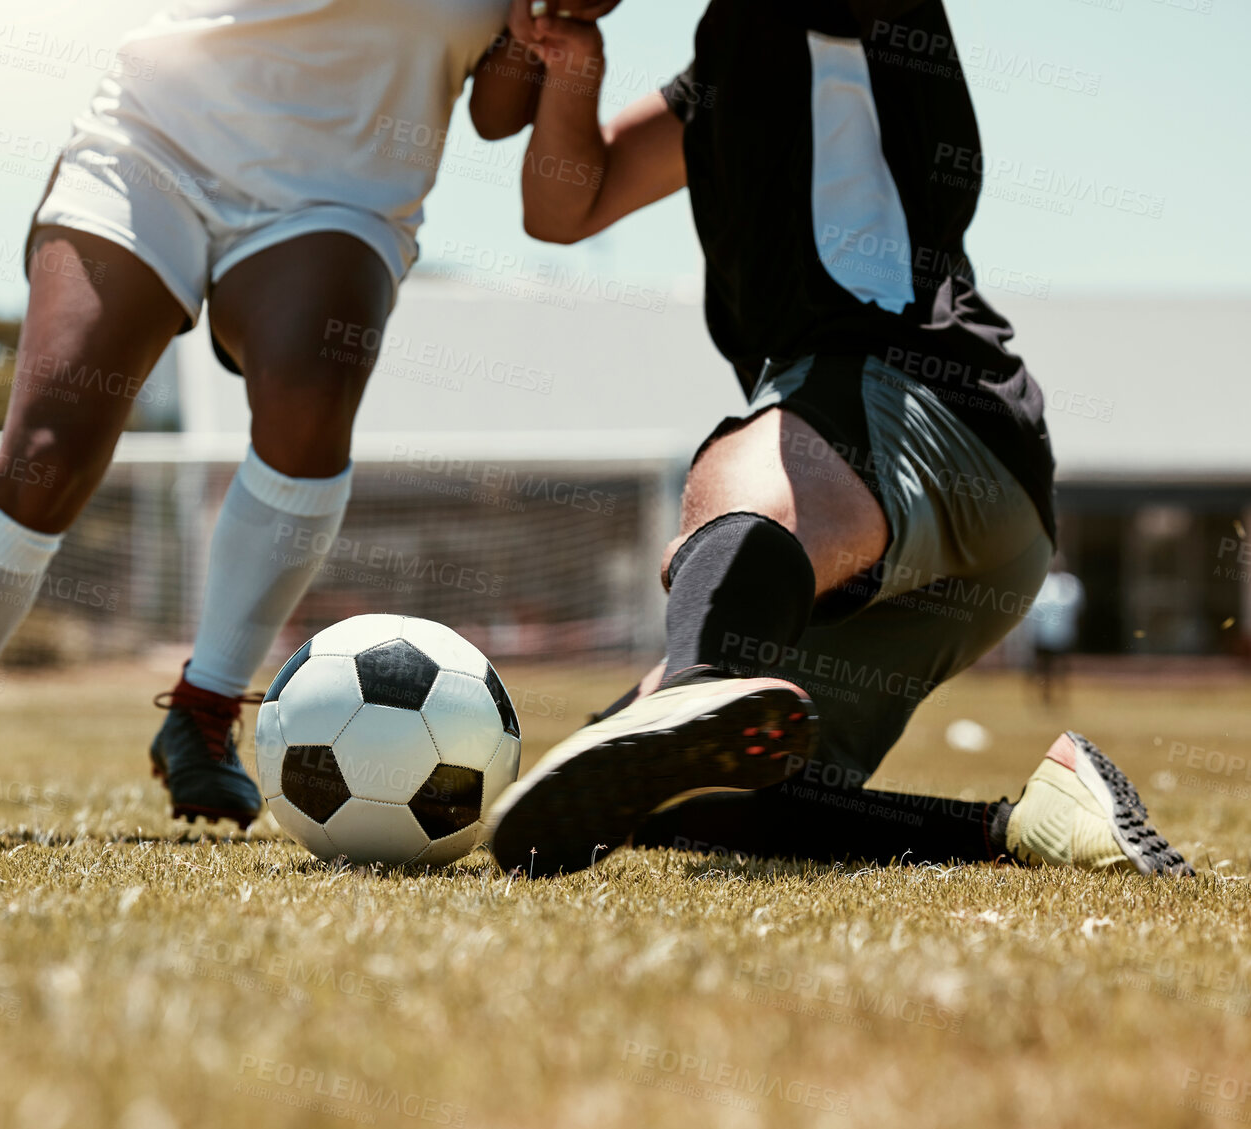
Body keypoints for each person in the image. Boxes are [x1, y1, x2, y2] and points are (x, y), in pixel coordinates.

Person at [0, 0, 631, 837]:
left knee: (310, 404)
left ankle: (204, 710)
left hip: (340, 190)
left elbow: (493, 111)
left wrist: (545, 26)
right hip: (154, 145)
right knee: (51, 448)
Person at [484, 0, 1191, 878]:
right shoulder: (724, 72)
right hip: (958, 509)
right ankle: (1025, 824)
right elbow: (565, 205)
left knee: (738, 476)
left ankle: (700, 685)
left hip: (916, 397)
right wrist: (574, 56)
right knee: (679, 797)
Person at [1027, 558, 1085, 707]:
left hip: (1062, 633)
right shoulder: (1042, 582)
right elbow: (1035, 605)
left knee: (1061, 667)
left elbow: (1076, 604)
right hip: (1042, 633)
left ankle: (1061, 698)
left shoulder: (1070, 582)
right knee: (1041, 667)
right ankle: (1042, 697)